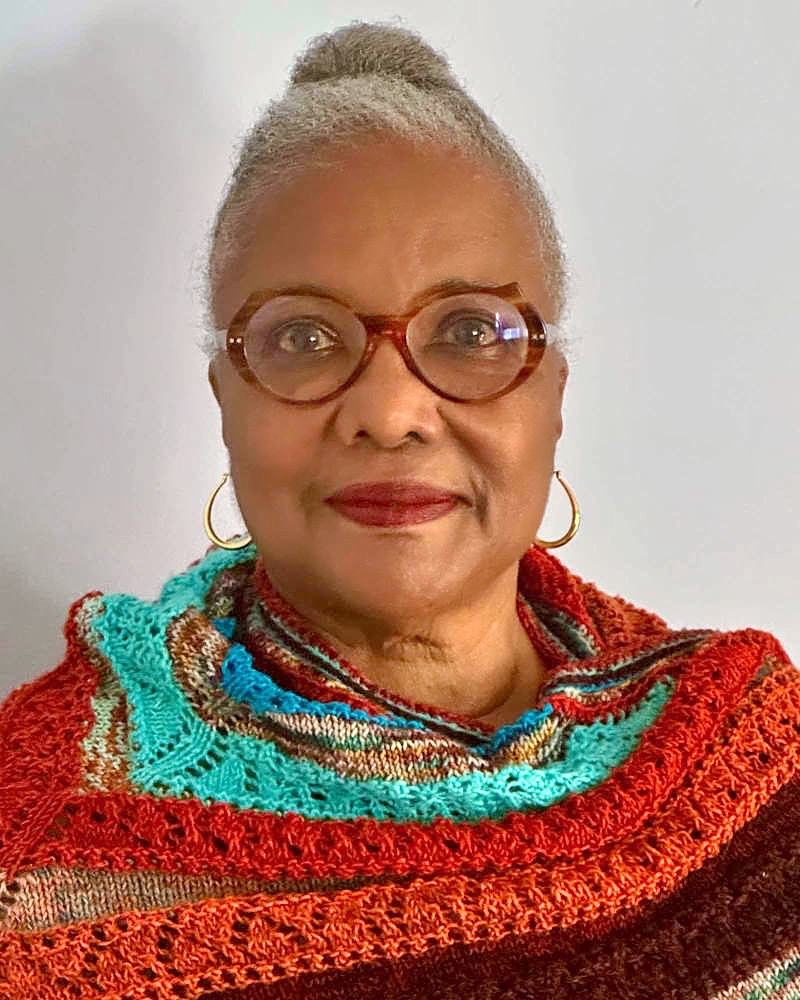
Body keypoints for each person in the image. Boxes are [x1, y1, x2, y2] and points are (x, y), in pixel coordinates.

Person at [1, 20, 798, 1000]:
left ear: (551, 391)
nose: (387, 412)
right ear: (224, 398)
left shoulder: (757, 767)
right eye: (301, 335)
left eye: (469, 329)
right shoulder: (46, 834)